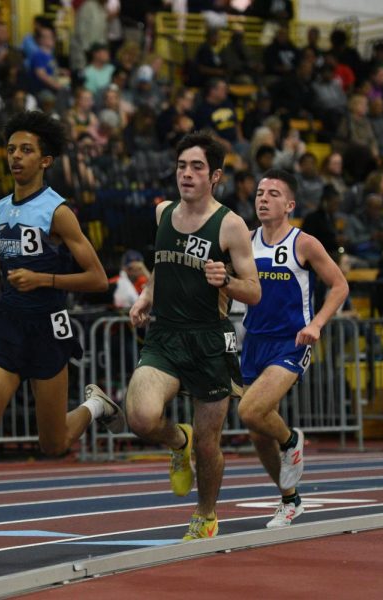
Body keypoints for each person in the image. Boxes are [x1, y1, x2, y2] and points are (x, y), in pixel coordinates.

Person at [0, 111, 123, 574]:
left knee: (53, 444)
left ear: (45, 160)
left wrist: (41, 276)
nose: (16, 158)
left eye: (26, 151)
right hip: (6, 325)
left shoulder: (58, 211)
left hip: (48, 327)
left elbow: (98, 278)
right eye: (11, 150)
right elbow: (12, 269)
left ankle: (95, 406)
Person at [89, 131, 262, 541]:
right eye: (182, 166)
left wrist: (227, 282)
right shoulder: (163, 212)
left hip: (208, 341)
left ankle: (205, 514)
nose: (186, 174)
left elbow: (254, 289)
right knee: (141, 417)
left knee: (208, 443)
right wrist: (147, 294)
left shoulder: (231, 226)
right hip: (165, 335)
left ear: (215, 175)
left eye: (197, 167)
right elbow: (163, 264)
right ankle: (175, 439)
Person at [237, 168, 349, 528]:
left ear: (289, 204)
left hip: (291, 341)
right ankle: (290, 501)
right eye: (259, 192)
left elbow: (339, 285)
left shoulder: (304, 243)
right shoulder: (246, 241)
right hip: (253, 341)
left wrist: (316, 324)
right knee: (257, 431)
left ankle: (291, 440)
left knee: (250, 411)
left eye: (272, 193)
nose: (263, 198)